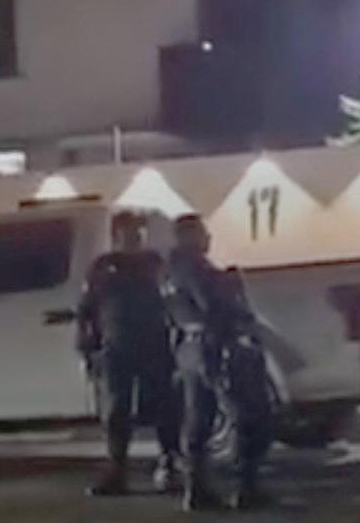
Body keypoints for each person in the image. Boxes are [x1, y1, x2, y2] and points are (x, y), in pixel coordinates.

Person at [163, 214, 274, 511]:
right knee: (248, 417)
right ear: (189, 237)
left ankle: (196, 489)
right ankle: (246, 488)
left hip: (190, 349)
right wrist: (230, 287)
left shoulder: (169, 272)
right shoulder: (196, 269)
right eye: (202, 233)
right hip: (215, 348)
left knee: (198, 421)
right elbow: (213, 306)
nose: (208, 238)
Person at [76, 211, 182, 496]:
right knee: (116, 411)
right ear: (116, 236)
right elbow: (86, 311)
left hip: (155, 345)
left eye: (138, 233)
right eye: (129, 233)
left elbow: (173, 300)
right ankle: (117, 472)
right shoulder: (102, 267)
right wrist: (87, 349)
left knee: (164, 407)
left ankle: (169, 464)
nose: (134, 238)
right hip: (116, 348)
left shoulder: (154, 263)